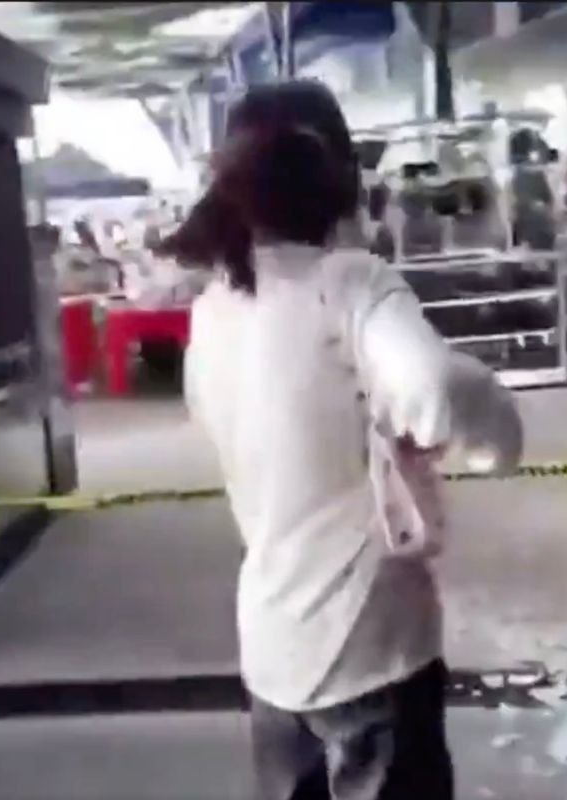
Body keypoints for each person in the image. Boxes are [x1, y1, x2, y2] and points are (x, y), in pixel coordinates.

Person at [163, 81, 522, 800]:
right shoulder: (350, 282)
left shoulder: (214, 309)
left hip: (273, 646)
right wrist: (456, 416)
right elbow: (426, 390)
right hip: (374, 648)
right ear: (342, 179)